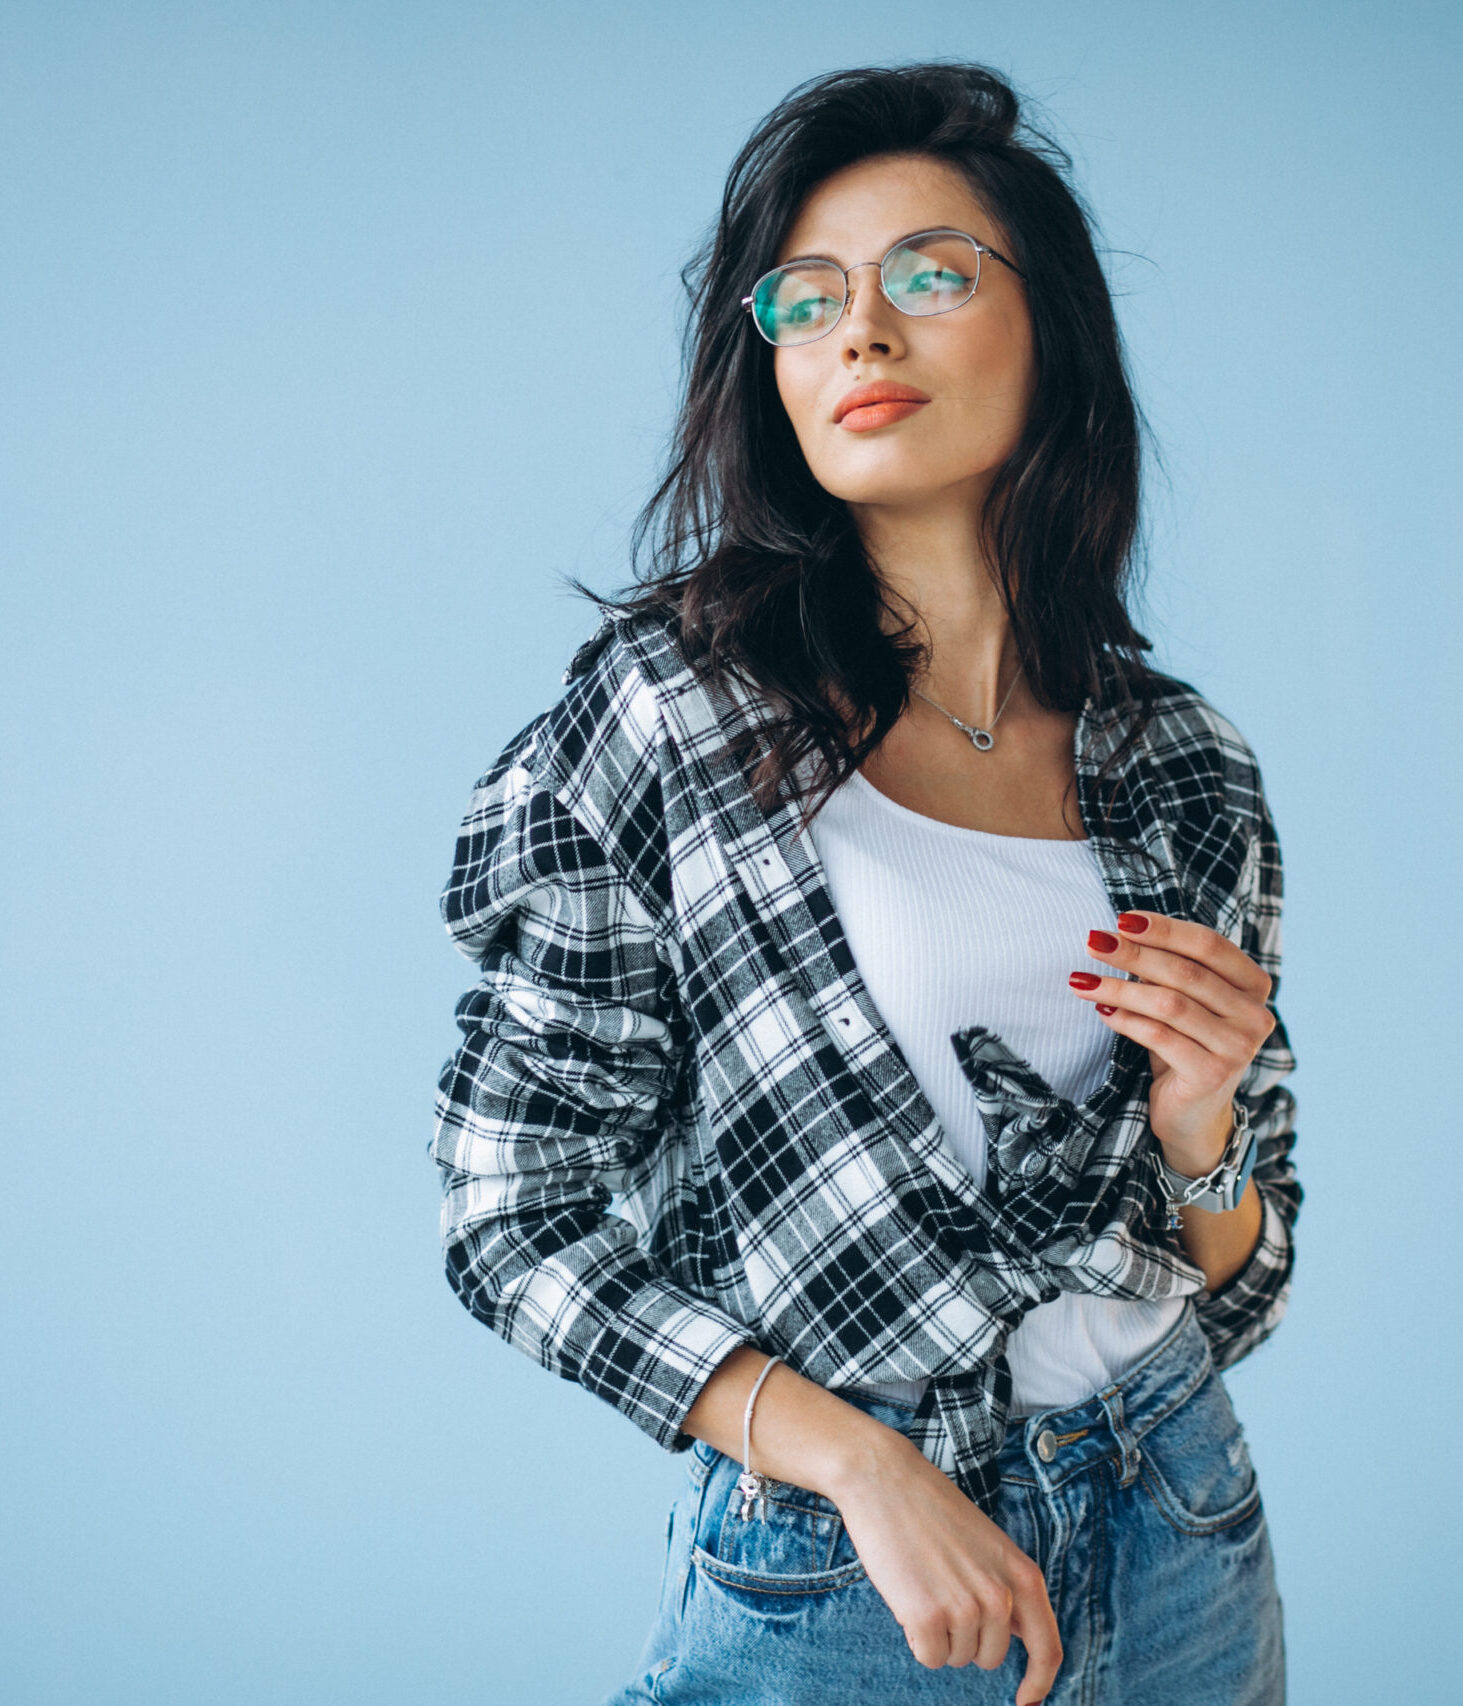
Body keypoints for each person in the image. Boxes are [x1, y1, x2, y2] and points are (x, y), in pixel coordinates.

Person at [432, 61, 1301, 1706]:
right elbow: (507, 1215)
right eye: (806, 297)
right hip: (859, 1572)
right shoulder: (671, 717)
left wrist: (1203, 1121)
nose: (861, 332)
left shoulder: (1188, 761)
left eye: (927, 273)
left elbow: (1245, 1286)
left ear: (1050, 327)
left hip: (1183, 1509)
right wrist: (861, 1467)